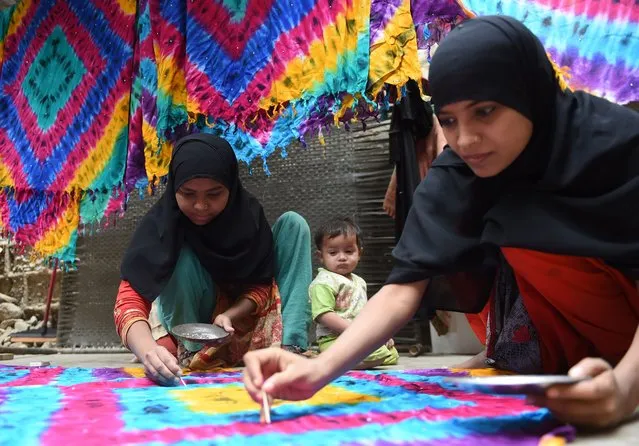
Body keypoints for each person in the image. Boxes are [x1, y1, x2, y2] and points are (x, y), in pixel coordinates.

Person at [243, 16, 639, 429]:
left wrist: (626, 388)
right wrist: (317, 372)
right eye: (448, 120)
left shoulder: (617, 145)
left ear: (529, 92)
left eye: (485, 111)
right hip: (571, 347)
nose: (465, 140)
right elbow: (401, 290)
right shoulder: (461, 172)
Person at [114, 134, 312, 385]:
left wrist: (230, 314)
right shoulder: (163, 228)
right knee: (182, 254)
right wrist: (148, 351)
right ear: (174, 187)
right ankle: (192, 352)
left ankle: (289, 349)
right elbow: (128, 301)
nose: (200, 206)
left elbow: (261, 285)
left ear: (230, 186)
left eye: (214, 194)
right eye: (188, 194)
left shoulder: (248, 220)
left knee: (294, 224)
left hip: (250, 327)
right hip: (195, 328)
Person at [310, 217, 399, 367]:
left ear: (359, 253)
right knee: (378, 355)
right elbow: (323, 315)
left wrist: (380, 335)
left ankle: (336, 361)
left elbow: (366, 313)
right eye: (333, 253)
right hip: (334, 339)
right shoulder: (323, 282)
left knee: (391, 353)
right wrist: (355, 331)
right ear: (321, 256)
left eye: (349, 251)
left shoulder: (359, 282)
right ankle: (329, 360)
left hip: (359, 337)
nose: (342, 257)